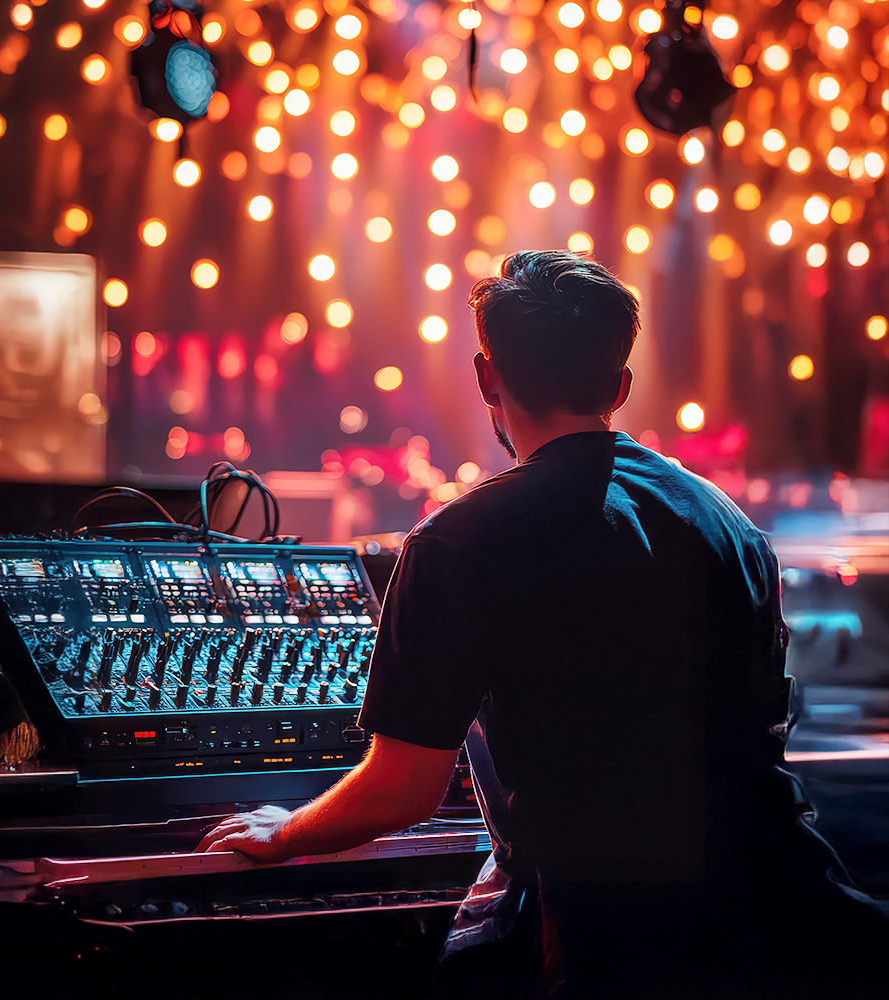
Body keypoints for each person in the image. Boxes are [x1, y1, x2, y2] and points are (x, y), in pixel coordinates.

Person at [198, 251, 885, 997]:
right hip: (793, 921)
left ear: (487, 377)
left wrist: (283, 831)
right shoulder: (731, 526)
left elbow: (403, 791)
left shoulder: (458, 540)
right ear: (619, 386)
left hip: (618, 948)